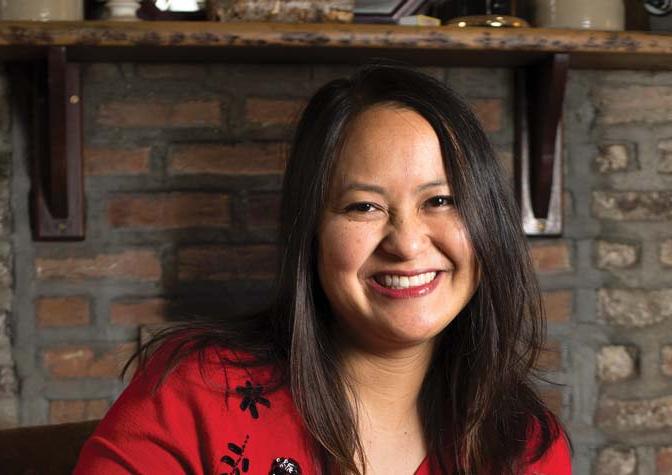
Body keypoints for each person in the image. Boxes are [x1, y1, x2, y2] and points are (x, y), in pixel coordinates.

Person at [74, 64, 571, 475]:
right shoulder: (196, 394)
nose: (407, 243)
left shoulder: (524, 446)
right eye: (363, 207)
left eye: (440, 200)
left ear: (488, 224)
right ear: (311, 232)